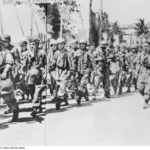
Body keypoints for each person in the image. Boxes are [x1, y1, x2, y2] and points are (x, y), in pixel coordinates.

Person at [0, 41, 19, 122]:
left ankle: (15, 110)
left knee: (7, 97)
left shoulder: (6, 53)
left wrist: (4, 72)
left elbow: (9, 63)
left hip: (4, 76)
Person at [53, 38, 74, 109]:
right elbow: (54, 61)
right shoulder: (56, 53)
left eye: (62, 44)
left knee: (63, 85)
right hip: (58, 71)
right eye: (59, 44)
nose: (60, 45)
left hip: (65, 71)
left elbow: (71, 63)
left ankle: (58, 100)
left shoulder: (67, 53)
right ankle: (65, 98)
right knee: (58, 86)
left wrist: (71, 71)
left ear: (64, 44)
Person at [75, 39, 96, 105]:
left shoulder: (88, 52)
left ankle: (79, 97)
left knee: (82, 84)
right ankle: (86, 95)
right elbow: (73, 61)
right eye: (80, 44)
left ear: (85, 45)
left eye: (83, 44)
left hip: (86, 71)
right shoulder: (76, 52)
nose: (82, 45)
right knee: (79, 84)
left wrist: (94, 70)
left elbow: (93, 61)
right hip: (78, 71)